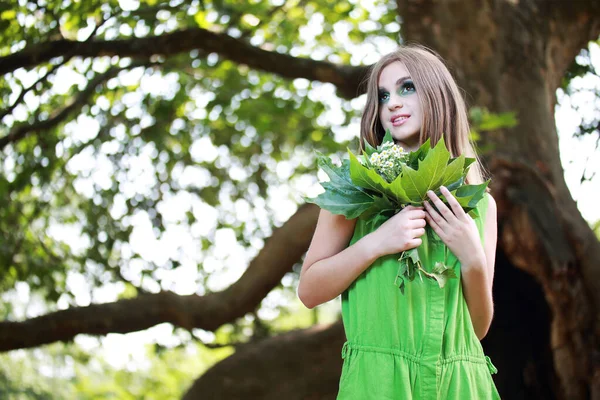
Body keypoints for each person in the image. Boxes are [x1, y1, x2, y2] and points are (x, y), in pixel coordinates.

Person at [297, 45, 501, 399]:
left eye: (407, 88)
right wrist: (375, 243)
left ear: (438, 95)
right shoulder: (355, 188)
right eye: (382, 95)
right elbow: (309, 291)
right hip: (379, 385)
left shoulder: (481, 205)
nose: (391, 102)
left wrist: (473, 260)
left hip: (461, 384)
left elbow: (478, 329)